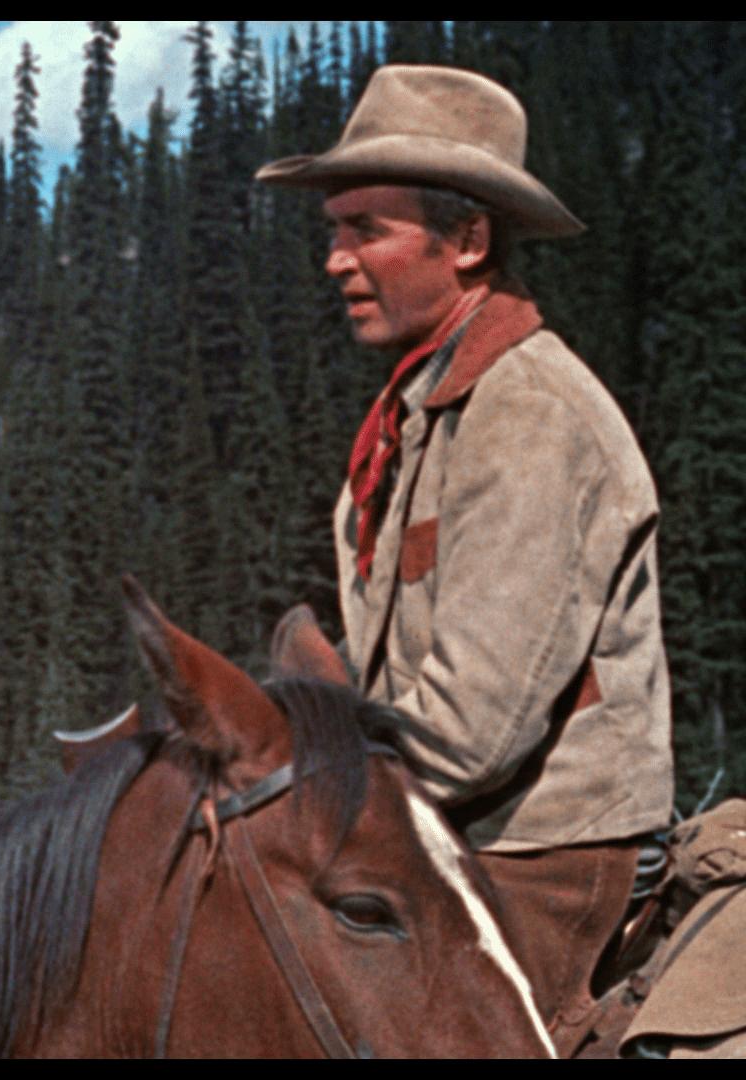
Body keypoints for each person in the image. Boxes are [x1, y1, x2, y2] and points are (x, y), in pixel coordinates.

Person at [255, 65, 673, 1031]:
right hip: (456, 834)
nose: (336, 259)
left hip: (549, 854)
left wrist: (305, 789)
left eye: (367, 229)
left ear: (470, 241)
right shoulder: (425, 413)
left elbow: (469, 730)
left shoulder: (529, 415)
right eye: (333, 229)